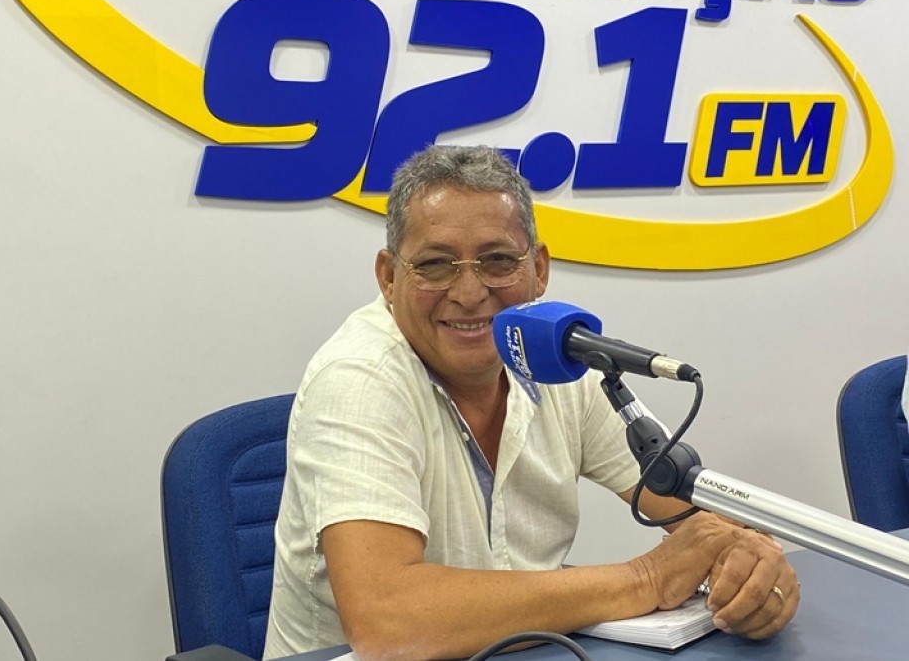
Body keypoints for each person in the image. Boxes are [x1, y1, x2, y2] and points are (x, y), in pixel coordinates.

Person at [264, 145, 798, 660]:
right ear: (388, 277)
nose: (469, 293)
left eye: (498, 260)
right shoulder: (358, 380)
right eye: (435, 264)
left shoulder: (552, 354)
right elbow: (389, 622)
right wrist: (647, 578)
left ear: (539, 269)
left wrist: (752, 567)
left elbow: (697, 514)